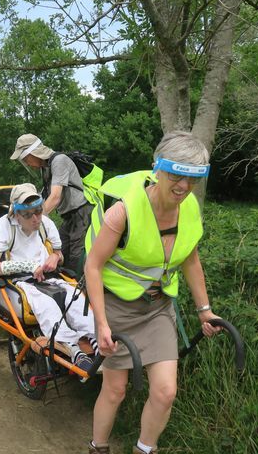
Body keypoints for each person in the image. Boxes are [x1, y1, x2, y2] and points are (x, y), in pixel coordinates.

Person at [84, 132, 222, 454]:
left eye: (192, 179)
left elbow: (190, 257)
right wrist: (102, 324)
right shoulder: (123, 212)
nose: (184, 187)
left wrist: (204, 309)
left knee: (165, 392)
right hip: (117, 307)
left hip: (158, 308)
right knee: (115, 389)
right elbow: (93, 266)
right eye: (176, 175)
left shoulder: (189, 209)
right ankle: (98, 446)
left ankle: (144, 449)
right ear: (157, 168)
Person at [0, 183, 97, 372]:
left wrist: (54, 257)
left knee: (75, 298)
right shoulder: (2, 228)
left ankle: (95, 340)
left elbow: (58, 253)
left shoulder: (45, 223)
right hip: (17, 281)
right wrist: (29, 265)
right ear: (16, 214)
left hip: (48, 278)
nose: (36, 218)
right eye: (29, 214)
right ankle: (73, 350)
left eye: (38, 211)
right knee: (47, 305)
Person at [10, 134, 93, 273]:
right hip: (68, 216)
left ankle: (82, 291)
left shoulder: (59, 161)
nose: (27, 162)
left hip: (81, 213)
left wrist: (34, 218)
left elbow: (55, 197)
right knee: (59, 252)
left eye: (25, 158)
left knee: (75, 258)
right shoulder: (46, 167)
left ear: (33, 153)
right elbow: (43, 198)